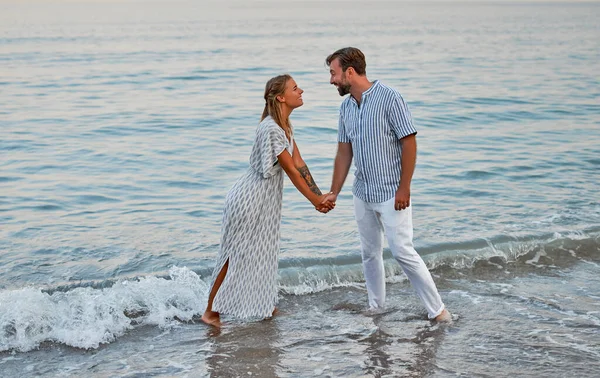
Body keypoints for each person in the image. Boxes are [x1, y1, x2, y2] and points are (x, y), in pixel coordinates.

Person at [323, 47, 451, 322]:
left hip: (392, 191)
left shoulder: (389, 97)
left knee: (402, 251)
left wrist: (404, 187)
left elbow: (409, 141)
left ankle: (438, 311)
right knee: (369, 253)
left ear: (349, 72)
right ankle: (376, 306)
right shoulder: (346, 107)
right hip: (363, 192)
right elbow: (344, 152)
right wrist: (334, 191)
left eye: (333, 73)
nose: (332, 80)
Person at [201, 74, 335, 327]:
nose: (301, 91)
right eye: (296, 89)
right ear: (282, 97)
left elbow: (299, 163)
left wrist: (319, 194)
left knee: (264, 252)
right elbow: (291, 171)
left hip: (263, 199)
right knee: (233, 255)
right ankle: (210, 312)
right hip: (250, 199)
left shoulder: (284, 126)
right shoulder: (271, 128)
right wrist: (315, 202)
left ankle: (265, 306)